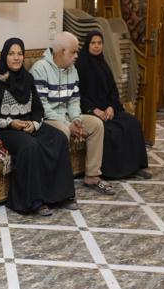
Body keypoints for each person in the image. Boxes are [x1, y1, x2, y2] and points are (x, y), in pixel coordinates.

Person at [0, 38, 76, 216]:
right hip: (5, 129)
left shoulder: (27, 78)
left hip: (27, 125)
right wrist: (10, 122)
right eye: (12, 54)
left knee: (58, 137)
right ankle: (34, 201)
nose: (16, 58)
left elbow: (38, 109)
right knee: (30, 146)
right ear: (4, 55)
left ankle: (59, 196)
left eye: (20, 54)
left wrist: (33, 124)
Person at [30, 32, 116, 195]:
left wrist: (76, 119)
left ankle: (92, 175)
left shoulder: (72, 69)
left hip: (67, 116)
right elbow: (42, 106)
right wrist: (68, 124)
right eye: (74, 52)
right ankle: (60, 184)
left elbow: (74, 100)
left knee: (96, 124)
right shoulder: (40, 69)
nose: (77, 55)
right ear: (62, 51)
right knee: (63, 131)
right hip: (47, 118)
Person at [76, 31, 150, 179]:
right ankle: (114, 172)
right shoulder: (80, 65)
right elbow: (78, 93)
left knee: (132, 123)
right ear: (87, 45)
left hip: (108, 110)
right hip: (91, 111)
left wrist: (111, 107)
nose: (97, 46)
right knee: (111, 131)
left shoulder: (103, 64)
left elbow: (113, 90)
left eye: (99, 43)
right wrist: (94, 110)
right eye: (93, 43)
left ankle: (134, 167)